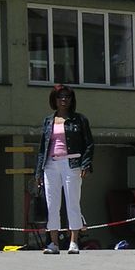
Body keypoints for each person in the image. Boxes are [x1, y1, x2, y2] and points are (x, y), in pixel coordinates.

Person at [35, 84, 94, 255]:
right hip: (51, 164)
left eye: (67, 97)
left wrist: (86, 164)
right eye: (60, 96)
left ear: (71, 100)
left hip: (72, 163)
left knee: (72, 202)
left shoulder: (79, 120)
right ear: (54, 99)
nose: (63, 100)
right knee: (52, 204)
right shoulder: (48, 120)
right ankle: (53, 243)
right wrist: (38, 171)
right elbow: (42, 148)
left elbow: (89, 144)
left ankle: (74, 242)